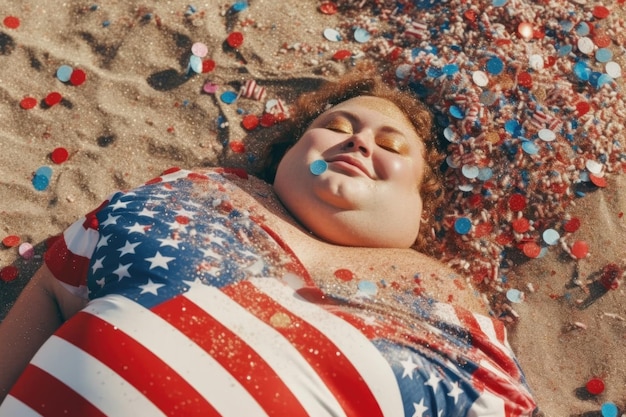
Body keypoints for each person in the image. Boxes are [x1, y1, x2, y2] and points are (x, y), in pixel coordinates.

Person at [0, 73, 537, 416]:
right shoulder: (197, 190)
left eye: (392, 145)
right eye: (337, 126)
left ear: (422, 204)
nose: (360, 140)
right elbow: (54, 287)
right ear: (287, 152)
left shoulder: (452, 310)